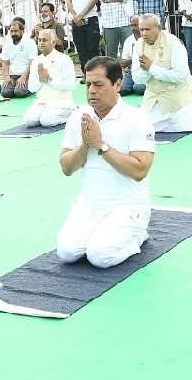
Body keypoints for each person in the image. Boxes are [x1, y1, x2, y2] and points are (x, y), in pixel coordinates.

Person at [56, 56, 155, 268]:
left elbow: (140, 170)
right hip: (89, 205)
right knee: (66, 253)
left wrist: (101, 146)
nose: (91, 90)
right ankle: (106, 233)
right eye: (88, 84)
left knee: (99, 257)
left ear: (117, 84)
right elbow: (66, 167)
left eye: (98, 84)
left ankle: (137, 233)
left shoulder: (136, 119)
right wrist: (85, 144)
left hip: (127, 206)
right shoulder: (78, 117)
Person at [132, 13, 192, 132]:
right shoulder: (138, 45)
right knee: (143, 129)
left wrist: (152, 68)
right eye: (141, 29)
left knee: (184, 128)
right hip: (153, 97)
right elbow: (137, 78)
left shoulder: (174, 44)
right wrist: (148, 70)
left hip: (176, 97)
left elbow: (180, 76)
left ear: (159, 28)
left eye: (147, 29)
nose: (144, 33)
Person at [24, 29, 77, 127]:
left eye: (44, 40)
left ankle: (72, 113)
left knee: (46, 121)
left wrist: (49, 79)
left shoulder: (64, 59)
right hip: (42, 102)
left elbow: (71, 85)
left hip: (61, 102)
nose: (41, 43)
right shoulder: (36, 61)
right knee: (29, 121)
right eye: (39, 40)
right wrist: (41, 80)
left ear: (54, 42)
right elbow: (31, 88)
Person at [64, 0, 100, 77]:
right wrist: (75, 15)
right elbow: (68, 0)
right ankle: (86, 75)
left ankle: (95, 74)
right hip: (76, 20)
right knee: (81, 49)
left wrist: (81, 15)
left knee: (92, 49)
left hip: (90, 19)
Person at [1, 18, 37, 98]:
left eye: (16, 31)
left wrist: (23, 77)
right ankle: (16, 86)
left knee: (19, 92)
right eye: (11, 31)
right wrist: (7, 77)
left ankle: (31, 86)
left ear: (22, 31)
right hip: (13, 75)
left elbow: (32, 62)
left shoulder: (30, 42)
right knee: (5, 93)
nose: (13, 33)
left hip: (27, 75)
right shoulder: (7, 44)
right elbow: (5, 63)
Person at [119, 15, 147, 96]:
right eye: (131, 25)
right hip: (131, 70)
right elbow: (123, 64)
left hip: (144, 70)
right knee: (122, 90)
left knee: (138, 89)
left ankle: (137, 85)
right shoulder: (128, 41)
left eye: (135, 25)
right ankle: (133, 84)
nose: (132, 28)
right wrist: (134, 56)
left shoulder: (148, 38)